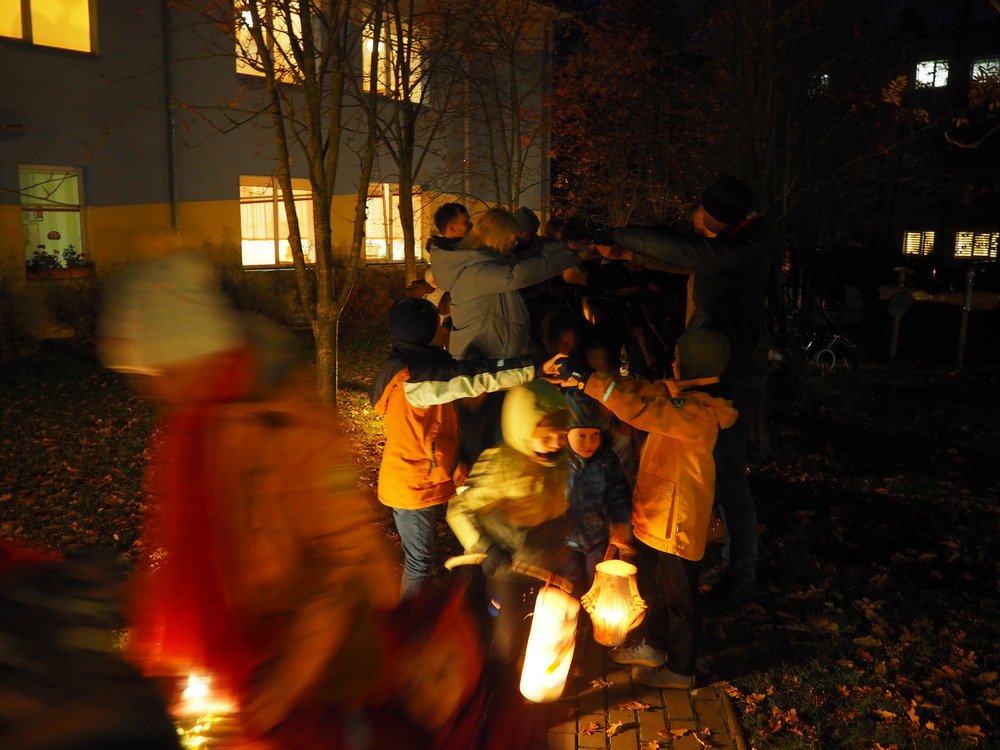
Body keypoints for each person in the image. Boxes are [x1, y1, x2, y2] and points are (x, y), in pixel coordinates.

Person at [98, 251, 400, 743]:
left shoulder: (294, 427)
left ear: (196, 353)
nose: (151, 388)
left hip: (318, 683)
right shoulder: (191, 426)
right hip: (242, 674)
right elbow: (179, 549)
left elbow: (346, 559)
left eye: (159, 371)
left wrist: (289, 679)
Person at [597, 174, 778, 605]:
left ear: (712, 217)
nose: (692, 217)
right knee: (707, 471)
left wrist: (619, 234)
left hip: (730, 377)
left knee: (727, 474)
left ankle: (740, 572)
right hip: (715, 372)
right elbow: (691, 261)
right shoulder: (738, 245)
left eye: (698, 211)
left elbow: (693, 254)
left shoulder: (743, 249)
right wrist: (629, 254)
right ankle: (703, 551)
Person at [548, 328, 738, 689]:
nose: (673, 364)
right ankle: (654, 645)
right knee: (660, 587)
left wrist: (589, 380)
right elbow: (642, 393)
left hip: (677, 521)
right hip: (662, 515)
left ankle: (681, 668)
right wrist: (587, 382)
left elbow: (645, 410)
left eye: (679, 359)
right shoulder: (683, 398)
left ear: (694, 363)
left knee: (680, 596)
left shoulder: (697, 412)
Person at [368, 296, 536, 596]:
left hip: (421, 473)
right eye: (440, 323)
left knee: (426, 555)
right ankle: (410, 621)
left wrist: (455, 459)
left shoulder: (414, 366)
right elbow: (475, 379)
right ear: (428, 332)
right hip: (412, 481)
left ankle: (445, 604)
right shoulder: (417, 380)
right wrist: (535, 369)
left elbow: (439, 421)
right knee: (419, 562)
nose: (446, 327)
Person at [445, 379, 573, 664]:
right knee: (509, 633)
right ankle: (499, 675)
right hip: (509, 563)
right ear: (523, 431)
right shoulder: (501, 464)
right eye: (546, 438)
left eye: (561, 435)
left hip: (548, 560)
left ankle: (535, 673)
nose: (556, 444)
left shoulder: (562, 462)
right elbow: (460, 509)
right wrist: (485, 546)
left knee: (545, 626)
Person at [561, 391, 632, 598]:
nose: (589, 442)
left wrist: (621, 521)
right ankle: (572, 615)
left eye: (595, 435)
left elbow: (618, 493)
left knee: (597, 585)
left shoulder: (606, 460)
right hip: (565, 540)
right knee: (568, 586)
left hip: (597, 536)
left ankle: (593, 616)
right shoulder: (558, 461)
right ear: (567, 434)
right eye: (581, 436)